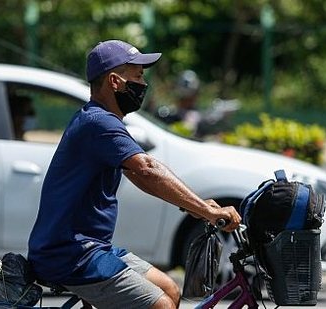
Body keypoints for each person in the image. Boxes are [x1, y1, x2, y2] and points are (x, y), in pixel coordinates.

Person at [28, 39, 241, 309]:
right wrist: (205, 210)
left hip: (91, 248)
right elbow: (147, 169)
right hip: (71, 253)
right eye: (138, 76)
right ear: (115, 81)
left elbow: (138, 175)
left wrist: (197, 206)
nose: (143, 84)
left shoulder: (99, 118)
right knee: (160, 305)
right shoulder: (99, 123)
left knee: (170, 290)